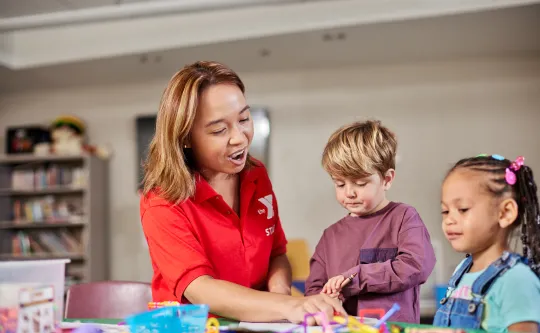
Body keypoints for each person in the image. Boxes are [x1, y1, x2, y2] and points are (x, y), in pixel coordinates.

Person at [139, 60, 345, 324]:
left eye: (244, 119)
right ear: (185, 138)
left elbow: (277, 254)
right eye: (219, 130)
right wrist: (286, 306)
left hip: (258, 325)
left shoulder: (256, 175)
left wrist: (280, 297)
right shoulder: (161, 201)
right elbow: (200, 288)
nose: (240, 137)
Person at [304, 120, 436, 323]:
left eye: (360, 183)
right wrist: (326, 298)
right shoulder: (330, 236)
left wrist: (355, 278)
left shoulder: (404, 218)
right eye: (339, 184)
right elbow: (313, 292)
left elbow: (416, 265)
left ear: (387, 179)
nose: (349, 192)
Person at [434, 154, 540, 333]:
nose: (449, 220)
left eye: (463, 209)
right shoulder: (463, 270)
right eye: (445, 211)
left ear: (505, 213)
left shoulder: (516, 280)